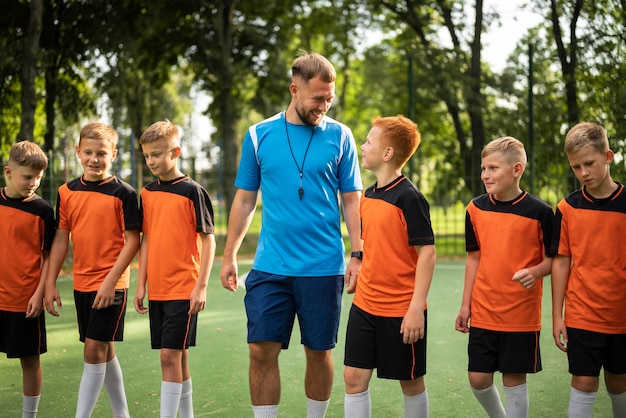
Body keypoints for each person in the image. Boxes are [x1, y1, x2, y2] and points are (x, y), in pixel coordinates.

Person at [219, 50, 363, 418]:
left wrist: (358, 254)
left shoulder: (341, 137)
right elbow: (245, 199)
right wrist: (230, 254)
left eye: (330, 99)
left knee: (319, 351)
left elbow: (351, 201)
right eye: (318, 98)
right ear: (294, 89)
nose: (324, 106)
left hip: (324, 266)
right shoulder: (258, 135)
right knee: (260, 350)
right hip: (271, 266)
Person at [44, 122, 141, 418]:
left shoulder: (125, 193)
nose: (94, 159)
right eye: (88, 152)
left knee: (93, 352)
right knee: (103, 350)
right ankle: (122, 414)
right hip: (81, 284)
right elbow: (61, 239)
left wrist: (111, 282)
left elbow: (133, 240)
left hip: (112, 286)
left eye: (101, 153)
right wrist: (50, 284)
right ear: (77, 152)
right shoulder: (66, 192)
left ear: (113, 154)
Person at [455, 136, 554, 418]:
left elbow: (554, 261)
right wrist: (466, 305)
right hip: (484, 311)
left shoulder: (541, 213)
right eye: (483, 168)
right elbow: (473, 257)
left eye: (493, 168)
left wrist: (535, 271)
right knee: (478, 378)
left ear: (517, 169)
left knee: (513, 380)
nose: (485, 175)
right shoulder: (474, 209)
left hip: (521, 315)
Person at [343, 115, 436, 417]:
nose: (363, 145)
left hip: (401, 310)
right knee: (353, 378)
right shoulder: (368, 195)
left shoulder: (409, 197)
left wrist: (415, 308)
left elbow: (428, 253)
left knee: (409, 383)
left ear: (387, 153)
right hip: (365, 305)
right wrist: (358, 262)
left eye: (369, 141)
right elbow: (373, 243)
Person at [134, 120, 216, 418]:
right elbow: (146, 240)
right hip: (157, 289)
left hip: (184, 289)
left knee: (169, 356)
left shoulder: (193, 192)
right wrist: (141, 283)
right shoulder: (146, 193)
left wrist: (201, 286)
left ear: (176, 152)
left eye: (157, 154)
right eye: (147, 156)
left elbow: (209, 243)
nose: (151, 161)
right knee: (177, 358)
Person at [551, 122, 626, 418]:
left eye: (589, 163)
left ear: (607, 156)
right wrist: (558, 314)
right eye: (576, 167)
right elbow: (560, 261)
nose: (583, 173)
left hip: (620, 315)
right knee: (583, 381)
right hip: (582, 313)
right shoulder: (567, 208)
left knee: (618, 381)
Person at [1, 141, 55, 418]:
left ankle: (29, 416)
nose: (33, 182)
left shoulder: (44, 211)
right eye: (26, 177)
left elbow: (47, 257)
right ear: (8, 172)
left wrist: (39, 293)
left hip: (26, 301)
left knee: (30, 361)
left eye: (38, 177)